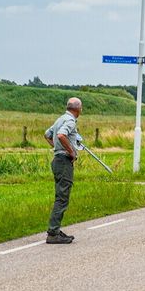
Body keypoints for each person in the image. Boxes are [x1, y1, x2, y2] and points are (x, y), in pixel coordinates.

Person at [44, 97, 83, 244]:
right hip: (64, 161)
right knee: (62, 197)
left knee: (59, 195)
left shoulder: (60, 119)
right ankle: (53, 233)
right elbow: (61, 134)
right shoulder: (70, 121)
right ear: (78, 109)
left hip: (57, 160)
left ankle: (55, 230)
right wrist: (70, 151)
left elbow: (47, 134)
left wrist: (56, 147)